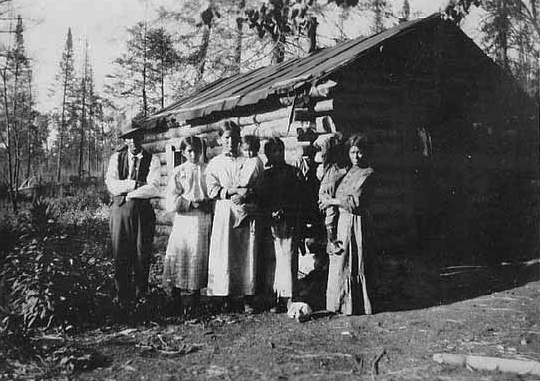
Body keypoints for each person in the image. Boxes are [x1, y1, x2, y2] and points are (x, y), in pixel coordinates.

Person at [205, 121, 262, 313]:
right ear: (220, 140)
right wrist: (231, 191)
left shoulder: (247, 159)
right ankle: (226, 295)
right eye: (227, 137)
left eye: (234, 137)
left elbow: (257, 182)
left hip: (245, 209)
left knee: (246, 251)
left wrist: (247, 193)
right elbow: (211, 189)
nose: (231, 141)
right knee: (225, 253)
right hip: (224, 211)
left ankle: (247, 296)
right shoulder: (215, 163)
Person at [319, 133, 375, 315]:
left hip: (357, 221)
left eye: (359, 152)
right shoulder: (348, 171)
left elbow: (354, 201)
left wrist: (331, 201)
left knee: (355, 261)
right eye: (352, 153)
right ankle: (341, 303)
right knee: (342, 260)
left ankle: (356, 304)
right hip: (343, 222)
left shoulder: (367, 173)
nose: (356, 157)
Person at [105, 122, 161, 306]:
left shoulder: (152, 160)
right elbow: (112, 185)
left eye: (137, 137)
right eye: (129, 138)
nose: (134, 141)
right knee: (121, 253)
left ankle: (141, 296)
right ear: (125, 140)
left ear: (142, 138)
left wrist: (130, 194)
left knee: (141, 253)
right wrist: (134, 184)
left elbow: (153, 188)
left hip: (142, 212)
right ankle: (123, 297)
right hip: (119, 212)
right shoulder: (116, 158)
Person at [162, 136, 212, 315]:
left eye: (197, 150)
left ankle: (195, 296)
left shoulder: (207, 170)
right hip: (184, 219)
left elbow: (213, 192)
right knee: (180, 252)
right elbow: (171, 198)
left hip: (201, 219)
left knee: (198, 255)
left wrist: (207, 203)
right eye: (189, 151)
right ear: (183, 152)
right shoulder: (178, 171)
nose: (193, 154)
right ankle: (175, 294)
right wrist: (190, 204)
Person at [260, 137, 303, 313]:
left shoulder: (292, 173)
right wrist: (270, 212)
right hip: (271, 224)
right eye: (273, 151)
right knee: (274, 261)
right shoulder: (266, 175)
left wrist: (286, 211)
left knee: (288, 259)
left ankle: (290, 297)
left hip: (289, 222)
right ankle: (276, 296)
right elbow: (262, 199)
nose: (277, 154)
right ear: (268, 154)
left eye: (280, 150)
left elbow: (299, 198)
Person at [315, 133, 348, 256]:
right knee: (331, 213)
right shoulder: (331, 168)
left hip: (327, 193)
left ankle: (331, 240)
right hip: (325, 194)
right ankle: (331, 240)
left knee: (331, 213)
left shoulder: (333, 168)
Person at [230, 135, 264, 228]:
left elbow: (250, 178)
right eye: (246, 151)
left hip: (252, 188)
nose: (249, 153)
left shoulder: (255, 161)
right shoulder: (248, 160)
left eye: (251, 150)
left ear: (257, 149)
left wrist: (240, 185)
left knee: (245, 205)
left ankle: (244, 216)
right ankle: (242, 216)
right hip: (248, 188)